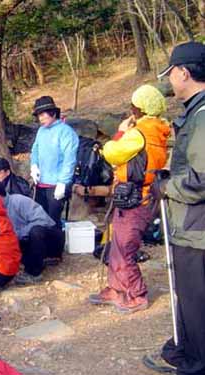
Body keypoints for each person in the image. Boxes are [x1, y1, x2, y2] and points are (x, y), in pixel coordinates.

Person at [142, 42, 205, 375]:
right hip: (193, 227)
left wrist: (167, 186)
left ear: (184, 72)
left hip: (197, 230)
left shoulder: (203, 116)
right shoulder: (196, 112)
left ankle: (196, 363)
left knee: (196, 299)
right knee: (192, 298)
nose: (170, 82)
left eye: (171, 75)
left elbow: (202, 179)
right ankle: (188, 351)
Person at [89, 84, 170, 314]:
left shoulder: (138, 133)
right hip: (141, 195)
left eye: (132, 105)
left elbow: (111, 152)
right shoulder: (158, 129)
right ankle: (116, 288)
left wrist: (121, 131)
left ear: (139, 108)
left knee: (124, 247)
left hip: (136, 198)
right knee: (116, 243)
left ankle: (136, 294)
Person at [0, 178, 61, 282]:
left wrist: (18, 233)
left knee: (36, 231)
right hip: (24, 243)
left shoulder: (19, 201)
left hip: (47, 239)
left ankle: (34, 273)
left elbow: (43, 221)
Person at [30, 96, 79, 225]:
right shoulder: (41, 131)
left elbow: (69, 159)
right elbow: (35, 149)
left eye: (42, 114)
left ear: (52, 113)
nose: (40, 118)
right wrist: (34, 165)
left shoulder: (66, 132)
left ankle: (56, 245)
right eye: (38, 116)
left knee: (53, 222)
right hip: (41, 184)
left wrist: (63, 183)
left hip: (57, 185)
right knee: (40, 220)